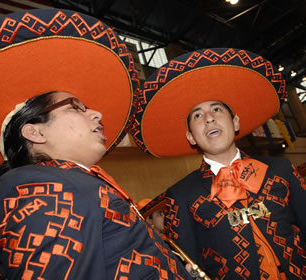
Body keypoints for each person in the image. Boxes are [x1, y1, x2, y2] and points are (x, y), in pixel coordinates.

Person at [0, 9, 193, 280]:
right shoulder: (41, 191)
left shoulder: (68, 184)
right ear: (35, 133)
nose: (97, 114)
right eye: (76, 107)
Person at [130, 48, 306, 279]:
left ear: (235, 122)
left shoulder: (281, 170)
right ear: (191, 137)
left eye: (216, 109)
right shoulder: (181, 195)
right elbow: (188, 263)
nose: (209, 118)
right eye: (197, 116)